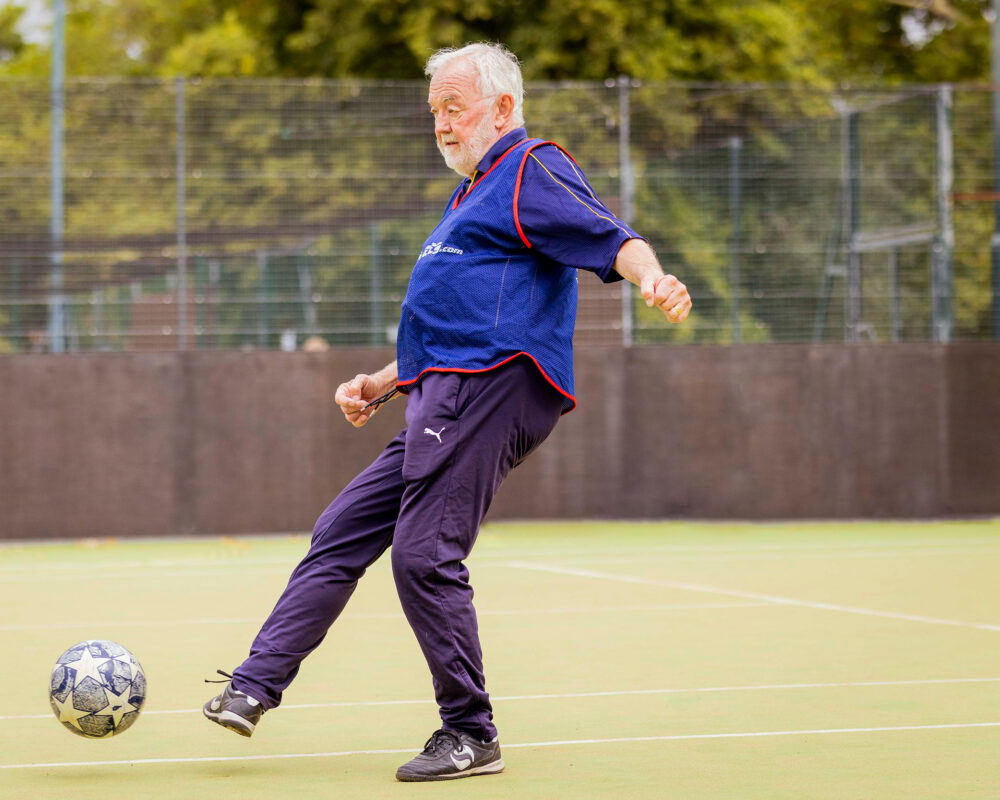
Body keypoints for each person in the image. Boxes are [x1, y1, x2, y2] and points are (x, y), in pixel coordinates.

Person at [203, 42, 692, 782]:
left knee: (423, 554)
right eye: (434, 111)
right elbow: (449, 329)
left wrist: (653, 278)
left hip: (489, 389)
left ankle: (469, 731)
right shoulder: (468, 197)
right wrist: (380, 382)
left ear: (502, 108)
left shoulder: (529, 168)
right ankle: (253, 685)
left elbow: (612, 237)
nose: (441, 123)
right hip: (446, 395)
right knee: (342, 529)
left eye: (454, 108)